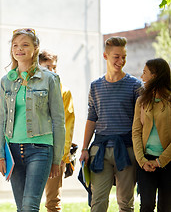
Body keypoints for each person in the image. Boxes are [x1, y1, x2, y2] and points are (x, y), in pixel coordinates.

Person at [0, 28, 65, 212]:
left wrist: (57, 158)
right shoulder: (6, 81)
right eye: (15, 45)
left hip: (40, 150)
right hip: (13, 151)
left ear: (35, 48)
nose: (19, 49)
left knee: (29, 206)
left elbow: (58, 120)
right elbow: (1, 118)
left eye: (25, 45)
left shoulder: (50, 79)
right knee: (21, 208)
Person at [79, 36, 142, 212]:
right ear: (105, 56)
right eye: (116, 57)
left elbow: (141, 122)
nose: (121, 61)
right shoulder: (95, 86)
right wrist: (84, 149)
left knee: (125, 202)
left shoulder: (135, 85)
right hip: (100, 150)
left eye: (124, 57)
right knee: (97, 201)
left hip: (127, 150)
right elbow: (92, 118)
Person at [132, 58, 171, 212]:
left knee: (166, 207)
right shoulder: (141, 101)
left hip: (168, 162)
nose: (142, 77)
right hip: (146, 162)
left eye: (145, 73)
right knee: (146, 205)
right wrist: (142, 161)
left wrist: (160, 161)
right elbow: (136, 132)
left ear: (155, 76)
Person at [38, 50, 75, 212]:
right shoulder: (30, 88)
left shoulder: (64, 92)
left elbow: (68, 125)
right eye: (47, 67)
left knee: (53, 201)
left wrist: (63, 154)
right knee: (29, 199)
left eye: (54, 67)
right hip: (34, 150)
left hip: (56, 153)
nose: (52, 71)